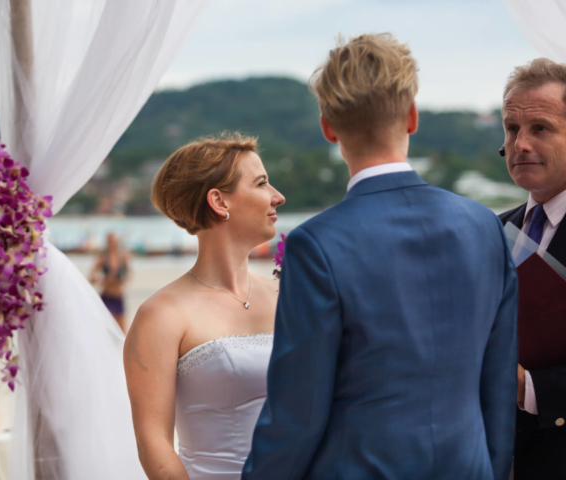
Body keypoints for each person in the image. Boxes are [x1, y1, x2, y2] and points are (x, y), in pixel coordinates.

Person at [242, 33, 518, 480]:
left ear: (328, 126)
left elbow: (298, 410)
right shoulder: (484, 226)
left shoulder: (317, 244)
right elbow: (498, 383)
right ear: (411, 117)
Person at [123, 133, 285, 479]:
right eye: (262, 183)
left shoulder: (286, 295)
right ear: (219, 201)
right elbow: (154, 443)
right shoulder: (162, 315)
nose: (278, 196)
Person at [498, 58, 566, 480]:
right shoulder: (491, 231)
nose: (519, 143)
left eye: (539, 128)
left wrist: (529, 387)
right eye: (511, 128)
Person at [89, 232, 131, 332]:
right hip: (106, 296)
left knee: (122, 331)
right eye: (109, 241)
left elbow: (129, 275)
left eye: (113, 241)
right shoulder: (102, 257)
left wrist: (122, 279)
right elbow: (91, 278)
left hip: (119, 295)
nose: (112, 243)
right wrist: (103, 281)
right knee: (105, 330)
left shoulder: (123, 257)